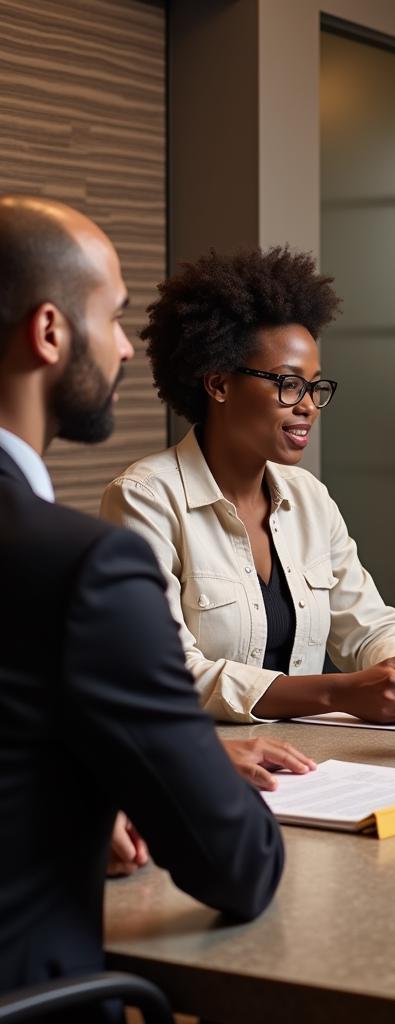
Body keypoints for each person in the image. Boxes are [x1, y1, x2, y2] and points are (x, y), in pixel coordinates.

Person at [0, 194, 310, 1002]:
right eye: (111, 318)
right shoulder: (82, 565)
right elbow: (237, 866)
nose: (126, 353)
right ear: (49, 332)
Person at [100, 248, 395, 724]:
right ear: (218, 384)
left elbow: (367, 627)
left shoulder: (309, 497)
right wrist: (338, 693)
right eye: (289, 384)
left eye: (316, 387)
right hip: (209, 763)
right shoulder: (144, 499)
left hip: (312, 763)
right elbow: (168, 672)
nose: (309, 405)